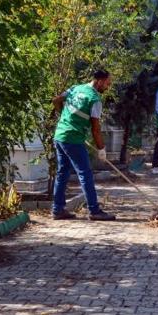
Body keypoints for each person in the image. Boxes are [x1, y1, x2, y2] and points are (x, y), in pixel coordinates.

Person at [50, 69, 116, 221]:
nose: (108, 87)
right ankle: (94, 210)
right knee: (85, 174)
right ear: (99, 81)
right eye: (107, 83)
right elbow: (95, 128)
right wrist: (101, 149)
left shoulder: (75, 88)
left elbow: (56, 100)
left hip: (60, 136)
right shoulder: (94, 99)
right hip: (73, 140)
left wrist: (64, 118)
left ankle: (57, 209)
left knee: (62, 172)